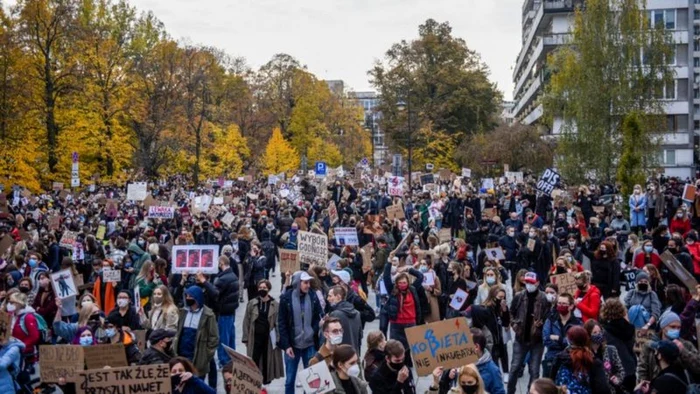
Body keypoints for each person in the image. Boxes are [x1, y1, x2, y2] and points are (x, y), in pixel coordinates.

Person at [278, 271, 324, 394]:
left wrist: (313, 329)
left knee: (311, 378)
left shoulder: (313, 296)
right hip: (292, 346)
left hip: (309, 344)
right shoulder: (286, 298)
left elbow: (319, 315)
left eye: (309, 282)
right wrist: (286, 345)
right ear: (297, 282)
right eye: (305, 282)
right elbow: (281, 324)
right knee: (290, 380)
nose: (308, 285)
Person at [508, 272, 550, 394]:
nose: (529, 285)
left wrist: (542, 324)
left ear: (537, 283)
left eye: (531, 283)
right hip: (520, 338)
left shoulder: (543, 298)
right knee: (514, 368)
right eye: (527, 282)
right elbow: (511, 312)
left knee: (535, 370)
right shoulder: (519, 296)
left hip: (537, 340)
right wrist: (514, 324)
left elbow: (548, 316)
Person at [173, 285, 219, 388]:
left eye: (191, 296)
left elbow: (214, 338)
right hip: (182, 354)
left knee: (196, 385)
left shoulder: (208, 315)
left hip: (198, 357)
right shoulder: (183, 311)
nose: (188, 298)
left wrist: (206, 356)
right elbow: (179, 331)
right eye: (187, 296)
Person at [199, 255, 239, 366]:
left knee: (223, 338)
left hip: (223, 312)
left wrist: (204, 282)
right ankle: (231, 359)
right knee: (230, 337)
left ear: (221, 264)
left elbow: (214, 293)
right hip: (230, 311)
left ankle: (224, 361)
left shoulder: (223, 278)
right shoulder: (232, 275)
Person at [637, 311, 700, 382]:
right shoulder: (650, 345)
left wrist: (683, 351)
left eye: (678, 327)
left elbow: (698, 367)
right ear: (663, 327)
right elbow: (642, 369)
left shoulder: (686, 345)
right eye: (672, 327)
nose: (676, 330)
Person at [242, 279, 283, 385]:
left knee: (267, 358)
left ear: (268, 289)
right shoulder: (252, 303)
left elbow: (278, 323)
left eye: (264, 288)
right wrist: (245, 338)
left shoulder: (275, 304)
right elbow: (246, 320)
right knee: (253, 358)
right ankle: (253, 379)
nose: (262, 289)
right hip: (254, 336)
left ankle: (266, 378)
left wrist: (278, 339)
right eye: (260, 288)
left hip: (268, 337)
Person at [549, 326, 611, 394]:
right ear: (586, 339)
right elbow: (602, 388)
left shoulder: (560, 359)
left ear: (569, 340)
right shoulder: (592, 361)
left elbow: (551, 383)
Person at [542, 293, 582, 378]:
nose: (561, 306)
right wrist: (565, 342)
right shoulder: (551, 320)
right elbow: (546, 339)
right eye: (559, 303)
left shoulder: (577, 324)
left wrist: (558, 338)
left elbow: (576, 343)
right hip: (552, 358)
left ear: (571, 306)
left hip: (571, 359)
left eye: (564, 304)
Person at [583, 320, 624, 394]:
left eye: (599, 332)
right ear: (588, 335)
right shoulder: (584, 353)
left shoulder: (611, 350)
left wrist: (617, 379)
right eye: (595, 333)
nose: (598, 334)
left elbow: (620, 370)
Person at [326, 285, 362, 355]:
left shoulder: (335, 314)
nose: (328, 299)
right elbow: (359, 337)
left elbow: (329, 338)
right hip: (354, 354)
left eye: (330, 296)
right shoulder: (357, 313)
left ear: (338, 297)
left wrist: (322, 324)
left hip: (341, 355)